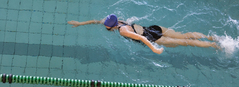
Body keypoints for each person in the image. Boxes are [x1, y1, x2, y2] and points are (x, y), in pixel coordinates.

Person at [68, 14, 219, 54]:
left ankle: (212, 45)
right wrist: (80, 23)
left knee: (186, 42)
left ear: (112, 27)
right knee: (184, 35)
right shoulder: (119, 21)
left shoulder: (122, 31)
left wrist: (154, 48)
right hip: (154, 28)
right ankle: (210, 37)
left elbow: (140, 38)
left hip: (152, 37)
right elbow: (97, 21)